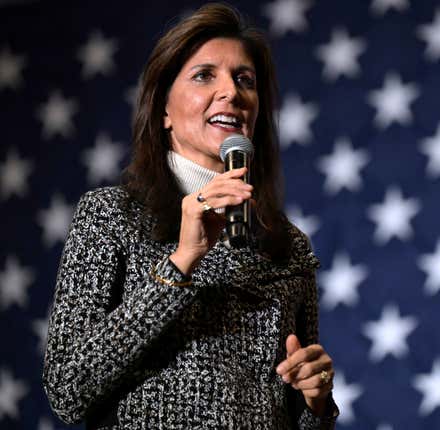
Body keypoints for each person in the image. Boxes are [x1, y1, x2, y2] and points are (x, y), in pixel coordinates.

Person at [42, 3, 339, 429]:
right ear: (164, 109)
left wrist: (317, 402)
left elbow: (297, 411)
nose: (231, 93)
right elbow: (67, 391)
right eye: (204, 75)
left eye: (244, 80)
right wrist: (180, 262)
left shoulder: (287, 245)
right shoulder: (110, 215)